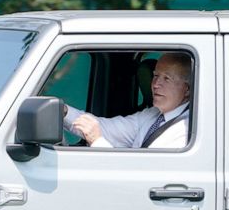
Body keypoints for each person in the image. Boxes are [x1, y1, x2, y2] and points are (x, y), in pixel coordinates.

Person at [64, 52, 192, 149]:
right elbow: (106, 129)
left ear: (187, 90)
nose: (155, 84)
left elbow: (142, 173)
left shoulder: (187, 130)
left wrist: (97, 142)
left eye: (167, 78)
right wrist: (64, 112)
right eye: (155, 75)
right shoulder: (153, 114)